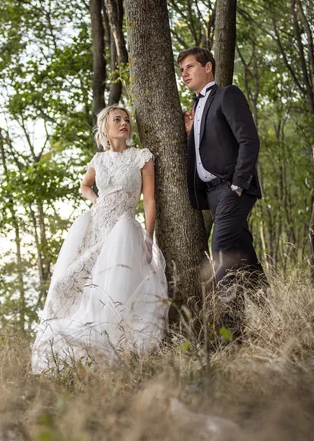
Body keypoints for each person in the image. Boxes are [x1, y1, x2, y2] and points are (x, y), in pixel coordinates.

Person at [31, 105, 168, 374]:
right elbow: (85, 185)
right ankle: (72, 356)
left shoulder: (141, 157)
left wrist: (148, 238)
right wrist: (96, 200)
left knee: (112, 290)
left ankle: (116, 355)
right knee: (65, 286)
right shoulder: (99, 160)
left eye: (127, 120)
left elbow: (150, 200)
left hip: (123, 230)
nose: (124, 123)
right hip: (96, 227)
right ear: (105, 127)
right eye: (117, 119)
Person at [178, 47, 266, 308]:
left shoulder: (228, 94)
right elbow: (205, 150)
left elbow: (249, 140)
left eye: (190, 67)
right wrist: (188, 133)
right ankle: (271, 310)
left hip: (232, 187)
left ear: (208, 67)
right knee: (244, 255)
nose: (184, 73)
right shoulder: (194, 108)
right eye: (181, 70)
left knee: (220, 250)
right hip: (213, 195)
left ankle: (231, 327)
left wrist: (238, 183)